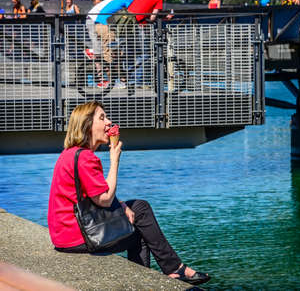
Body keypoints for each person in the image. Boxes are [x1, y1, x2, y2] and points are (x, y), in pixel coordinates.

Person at [48, 101, 211, 286]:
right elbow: (105, 199)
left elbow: (93, 193)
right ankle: (173, 270)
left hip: (64, 235)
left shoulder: (70, 154)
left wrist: (122, 204)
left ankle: (160, 275)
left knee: (137, 218)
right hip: (78, 237)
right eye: (102, 118)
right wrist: (114, 160)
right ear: (87, 125)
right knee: (141, 211)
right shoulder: (86, 158)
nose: (109, 122)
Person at [86, 0, 134, 88]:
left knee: (110, 52)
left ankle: (114, 80)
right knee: (108, 53)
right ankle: (110, 82)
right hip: (97, 21)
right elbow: (134, 12)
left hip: (97, 22)